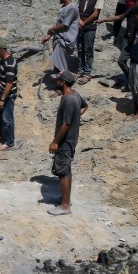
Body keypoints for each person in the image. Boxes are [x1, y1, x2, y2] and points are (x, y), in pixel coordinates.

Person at [48, 71, 87, 216]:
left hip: (65, 142)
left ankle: (64, 206)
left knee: (63, 172)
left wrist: (55, 142)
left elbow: (65, 124)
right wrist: (76, 117)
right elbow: (84, 106)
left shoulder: (69, 100)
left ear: (63, 82)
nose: (56, 81)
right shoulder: (75, 94)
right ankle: (66, 199)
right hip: (70, 139)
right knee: (66, 170)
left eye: (58, 79)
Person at [41, 0, 79, 76]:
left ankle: (64, 84)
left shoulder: (72, 8)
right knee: (58, 63)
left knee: (62, 65)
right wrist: (49, 36)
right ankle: (59, 81)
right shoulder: (64, 8)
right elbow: (58, 24)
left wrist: (50, 29)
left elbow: (64, 25)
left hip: (64, 40)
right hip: (59, 39)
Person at [76, 0, 104, 84]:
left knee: (88, 49)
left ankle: (87, 73)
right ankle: (80, 69)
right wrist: (78, 19)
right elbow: (78, 7)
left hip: (89, 27)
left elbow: (96, 13)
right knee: (80, 48)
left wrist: (84, 22)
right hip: (81, 25)